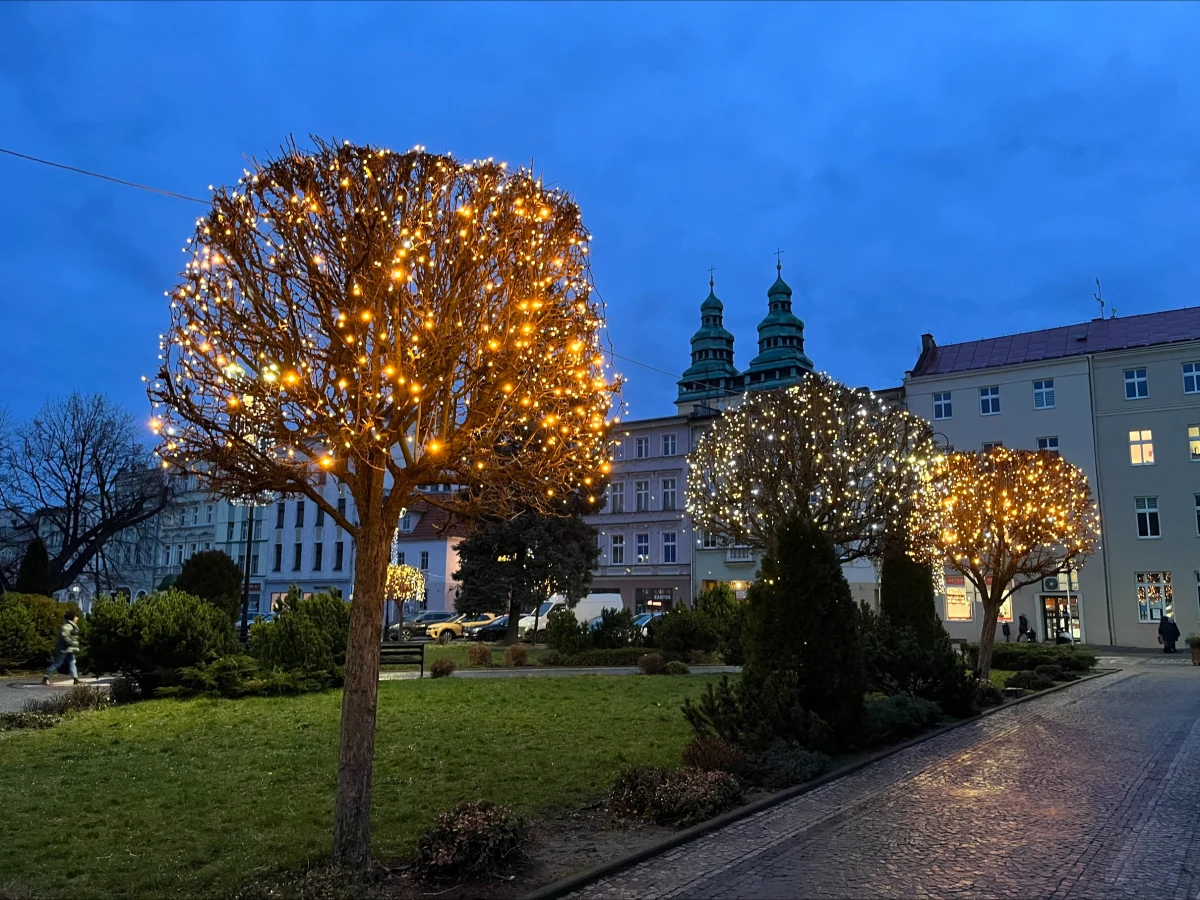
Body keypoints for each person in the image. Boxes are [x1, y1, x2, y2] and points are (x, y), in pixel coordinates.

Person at [42, 610, 81, 685]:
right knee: (58, 663)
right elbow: (65, 636)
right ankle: (45, 678)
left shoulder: (70, 625)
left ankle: (75, 679)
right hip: (64, 649)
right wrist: (71, 643)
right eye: (75, 616)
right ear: (72, 618)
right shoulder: (67, 626)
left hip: (69, 649)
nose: (77, 618)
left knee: (72, 662)